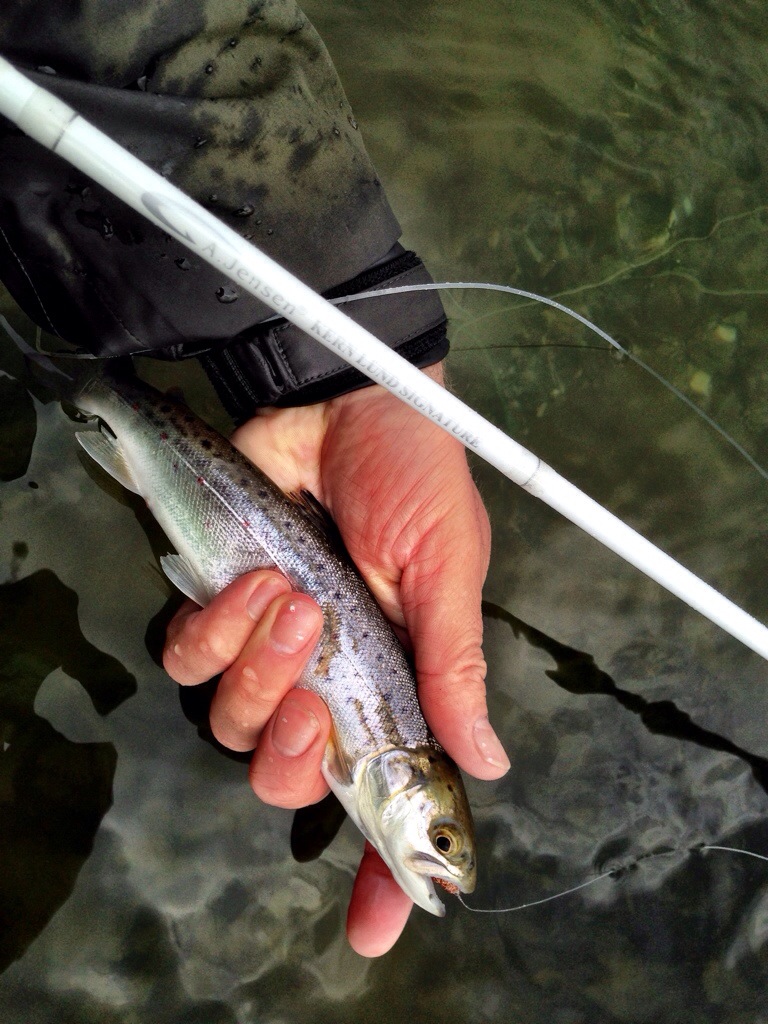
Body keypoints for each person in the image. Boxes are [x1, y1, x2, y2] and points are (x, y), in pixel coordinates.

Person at [0, 0, 509, 956]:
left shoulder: (364, 773)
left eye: (441, 849)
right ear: (415, 782)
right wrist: (354, 372)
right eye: (440, 839)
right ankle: (94, 382)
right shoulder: (386, 744)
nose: (435, 859)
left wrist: (344, 375)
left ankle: (86, 374)